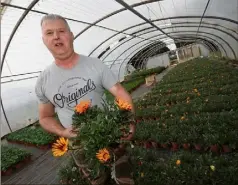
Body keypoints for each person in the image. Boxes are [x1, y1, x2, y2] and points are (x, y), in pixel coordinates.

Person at [35, 14, 135, 185]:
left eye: (61, 31)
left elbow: (119, 91)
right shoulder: (43, 81)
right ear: (43, 40)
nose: (56, 36)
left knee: (124, 177)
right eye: (49, 33)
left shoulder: (95, 65)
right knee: (97, 180)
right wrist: (62, 132)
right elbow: (45, 117)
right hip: (80, 145)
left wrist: (130, 119)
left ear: (71, 35)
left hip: (111, 134)